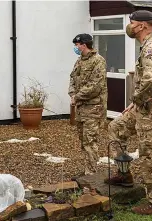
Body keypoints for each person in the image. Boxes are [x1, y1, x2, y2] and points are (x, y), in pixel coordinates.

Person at [105, 10, 152, 215]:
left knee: (148, 153)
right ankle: (124, 174)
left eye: (132, 23)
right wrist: (136, 103)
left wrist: (136, 99)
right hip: (143, 105)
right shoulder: (146, 45)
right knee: (115, 127)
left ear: (142, 26)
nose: (130, 27)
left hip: (151, 109)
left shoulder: (151, 46)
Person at [68, 33, 107, 175]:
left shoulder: (98, 61)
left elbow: (95, 86)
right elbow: (72, 78)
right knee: (83, 141)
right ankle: (87, 170)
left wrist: (77, 96)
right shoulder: (79, 61)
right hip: (81, 109)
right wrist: (72, 94)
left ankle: (91, 174)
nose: (75, 48)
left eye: (77, 45)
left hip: (93, 109)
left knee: (90, 142)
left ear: (84, 45)